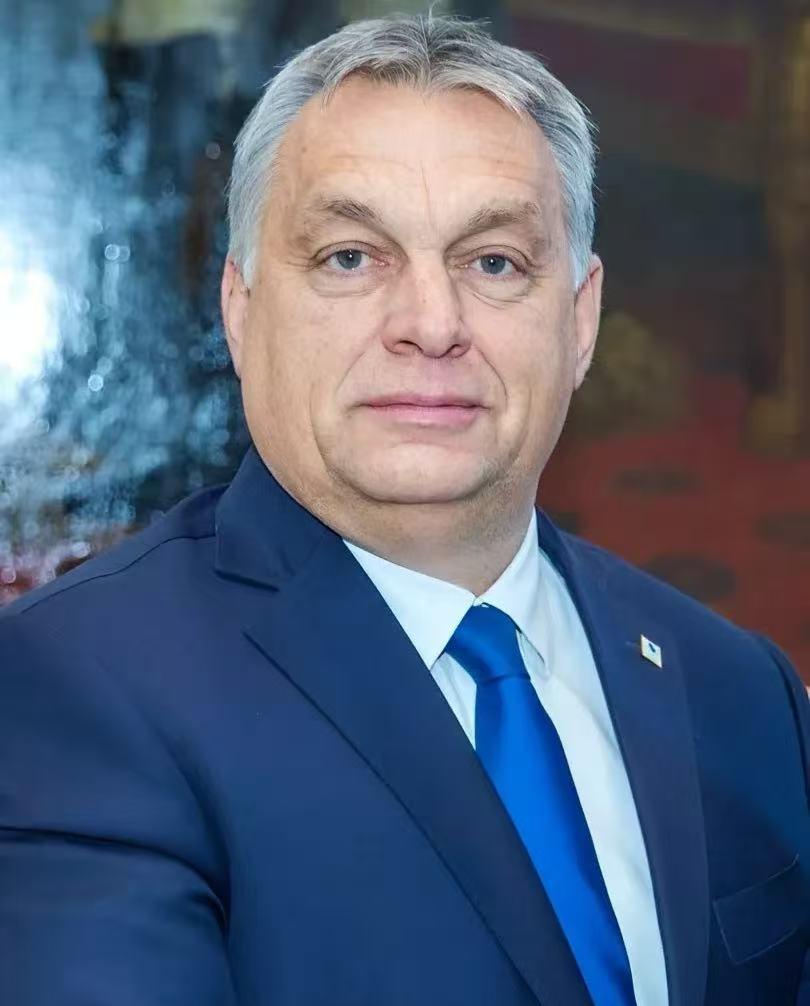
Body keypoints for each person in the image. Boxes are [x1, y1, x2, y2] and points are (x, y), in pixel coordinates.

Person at [1, 14, 807, 1006]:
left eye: (494, 262)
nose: (432, 323)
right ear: (241, 312)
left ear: (581, 319)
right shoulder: (79, 691)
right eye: (351, 256)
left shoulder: (742, 692)